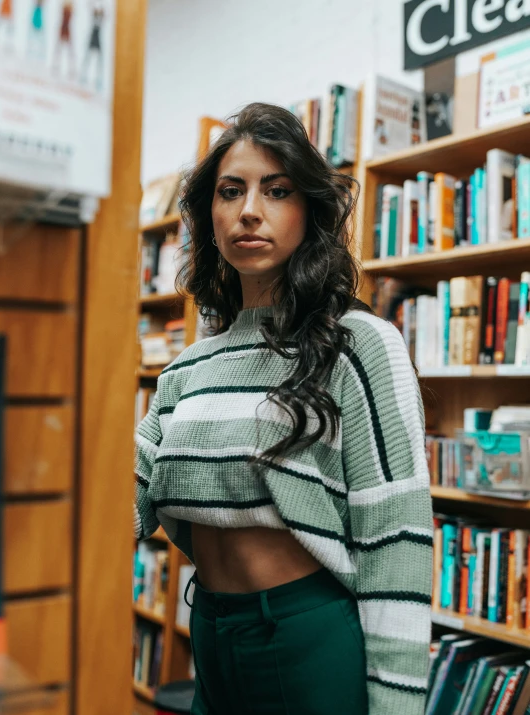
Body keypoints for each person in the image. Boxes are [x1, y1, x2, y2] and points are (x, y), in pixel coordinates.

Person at [134, 102, 433, 715]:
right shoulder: (188, 366)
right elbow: (126, 498)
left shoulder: (360, 344)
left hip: (307, 637)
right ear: (208, 215)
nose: (249, 210)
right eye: (230, 191)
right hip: (211, 632)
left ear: (309, 212)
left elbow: (397, 539)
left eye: (276, 190)